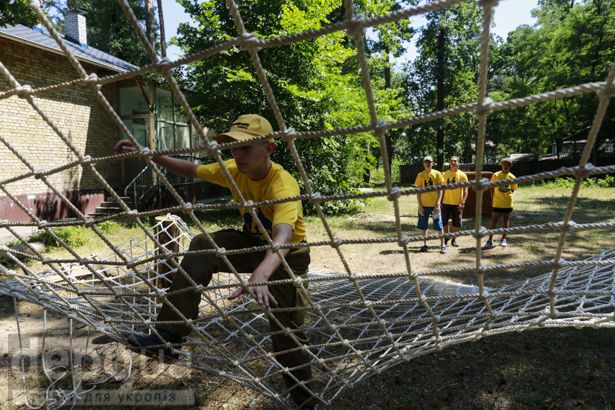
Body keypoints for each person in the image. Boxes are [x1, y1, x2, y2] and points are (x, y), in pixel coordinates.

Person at [113, 114, 316, 409]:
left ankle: (305, 402)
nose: (238, 154)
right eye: (233, 147)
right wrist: (150, 155)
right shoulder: (233, 169)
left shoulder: (282, 185)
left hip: (288, 258)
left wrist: (260, 273)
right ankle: (169, 337)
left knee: (287, 336)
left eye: (246, 147)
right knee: (203, 245)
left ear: (269, 149)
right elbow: (193, 169)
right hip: (253, 244)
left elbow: (283, 235)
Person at [415, 155, 446, 254]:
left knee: (439, 226)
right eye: (426, 162)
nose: (428, 164)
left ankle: (443, 245)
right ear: (423, 163)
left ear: (432, 163)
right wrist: (420, 206)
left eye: (429, 162)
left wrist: (438, 203)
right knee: (423, 226)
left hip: (434, 206)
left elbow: (440, 190)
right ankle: (425, 245)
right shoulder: (420, 175)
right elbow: (418, 192)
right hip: (424, 206)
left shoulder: (437, 174)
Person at [484, 158, 518, 249]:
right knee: (494, 221)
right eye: (504, 164)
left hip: (507, 203)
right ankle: (490, 240)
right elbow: (491, 188)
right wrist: (493, 199)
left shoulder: (512, 177)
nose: (506, 166)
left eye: (508, 164)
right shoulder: (496, 175)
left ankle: (504, 239)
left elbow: (513, 189)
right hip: (497, 203)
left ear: (510, 166)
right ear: (501, 165)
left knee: (506, 220)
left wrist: (506, 196)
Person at [441, 156, 468, 247]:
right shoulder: (445, 174)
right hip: (446, 202)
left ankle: (453, 240)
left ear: (458, 163)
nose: (453, 162)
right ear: (449, 163)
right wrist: (440, 202)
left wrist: (463, 202)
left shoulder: (462, 175)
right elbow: (442, 189)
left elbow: (465, 190)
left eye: (455, 161)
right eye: (452, 161)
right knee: (444, 222)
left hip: (457, 203)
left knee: (456, 223)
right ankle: (446, 237)